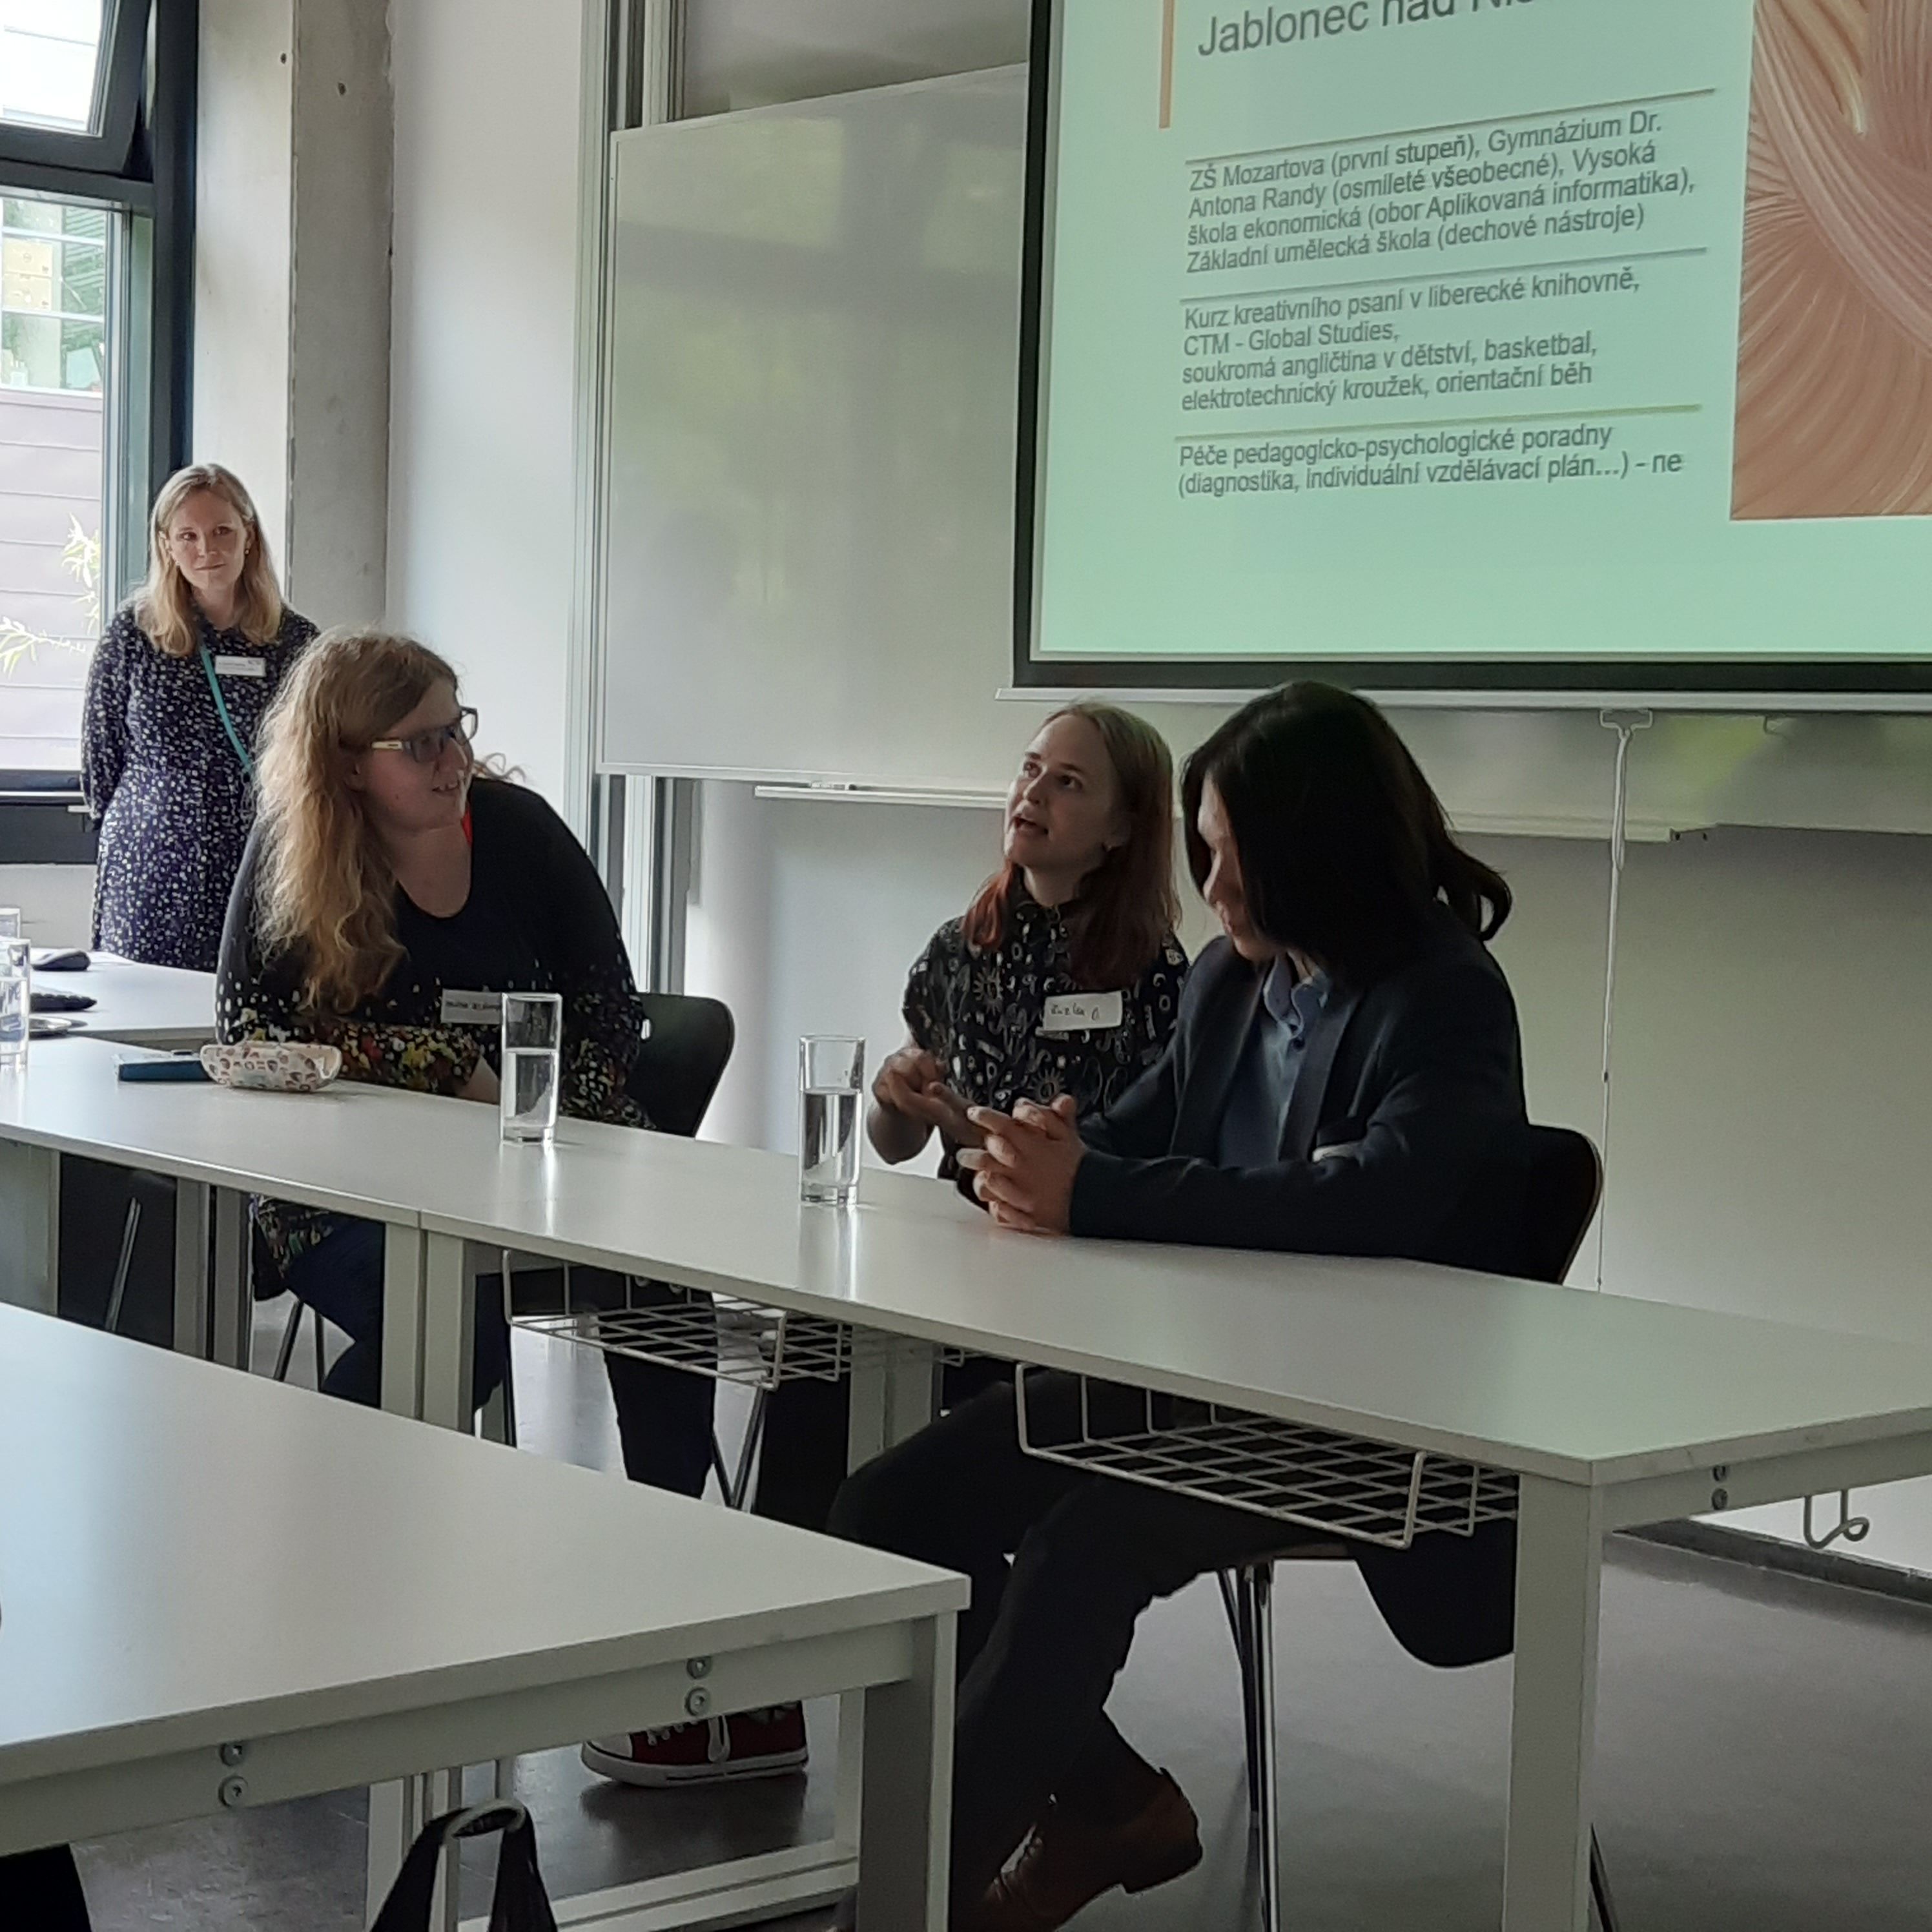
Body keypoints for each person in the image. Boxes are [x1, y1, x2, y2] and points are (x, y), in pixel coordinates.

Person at [826, 683, 1530, 1930]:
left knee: (1078, 1552)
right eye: (1203, 852)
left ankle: (902, 1908)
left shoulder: (1444, 993)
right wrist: (1027, 1148)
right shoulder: (1228, 982)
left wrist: (1095, 1190)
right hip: (1193, 1384)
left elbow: (1375, 1203)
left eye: (1232, 856)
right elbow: (1128, 1137)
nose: (1211, 886)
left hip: (1352, 1412)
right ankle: (1105, 1802)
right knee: (889, 1506)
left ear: (1317, 850)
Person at [581, 702, 1190, 1793]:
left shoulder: (1159, 978)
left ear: (1121, 829)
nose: (1033, 795)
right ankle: (763, 1686)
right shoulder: (961, 950)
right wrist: (899, 1101)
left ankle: (783, 1689)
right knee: (822, 1354)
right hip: (963, 1267)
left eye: (1069, 784)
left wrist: (1007, 1145)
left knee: (876, 1445)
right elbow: (897, 1143)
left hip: (1082, 1293)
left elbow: (1138, 1151)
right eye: (1030, 770)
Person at [216, 628, 713, 1493]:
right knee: (451, 1323)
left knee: (667, 1282)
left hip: (536, 1180)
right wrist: (441, 1065)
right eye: (420, 745)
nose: (455, 760)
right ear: (347, 764)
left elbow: (611, 1014)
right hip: (344, 1192)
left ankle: (672, 1540)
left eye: (457, 728)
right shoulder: (290, 855)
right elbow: (249, 1042)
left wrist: (533, 1107)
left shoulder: (522, 832)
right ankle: (312, 1514)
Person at [83, 463, 316, 971]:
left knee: (249, 1005)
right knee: (139, 1004)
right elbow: (100, 762)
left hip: (257, 866)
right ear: (166, 545)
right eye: (188, 536)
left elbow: (315, 758)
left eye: (222, 532)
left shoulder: (296, 642)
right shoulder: (133, 635)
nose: (207, 549)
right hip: (149, 868)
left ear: (249, 536)